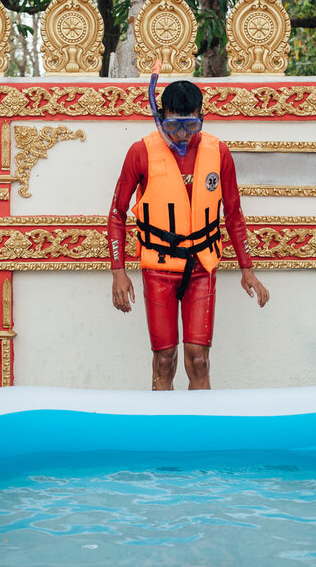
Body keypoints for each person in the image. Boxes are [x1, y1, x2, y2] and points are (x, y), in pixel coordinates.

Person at [108, 66, 270, 391]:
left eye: (191, 124)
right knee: (164, 360)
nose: (182, 134)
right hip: (159, 268)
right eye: (174, 125)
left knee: (199, 359)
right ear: (160, 115)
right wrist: (118, 272)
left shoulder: (217, 151)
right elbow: (116, 213)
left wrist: (247, 269)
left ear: (201, 117)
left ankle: (201, 435)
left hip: (202, 267)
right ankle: (162, 436)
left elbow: (234, 213)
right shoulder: (141, 152)